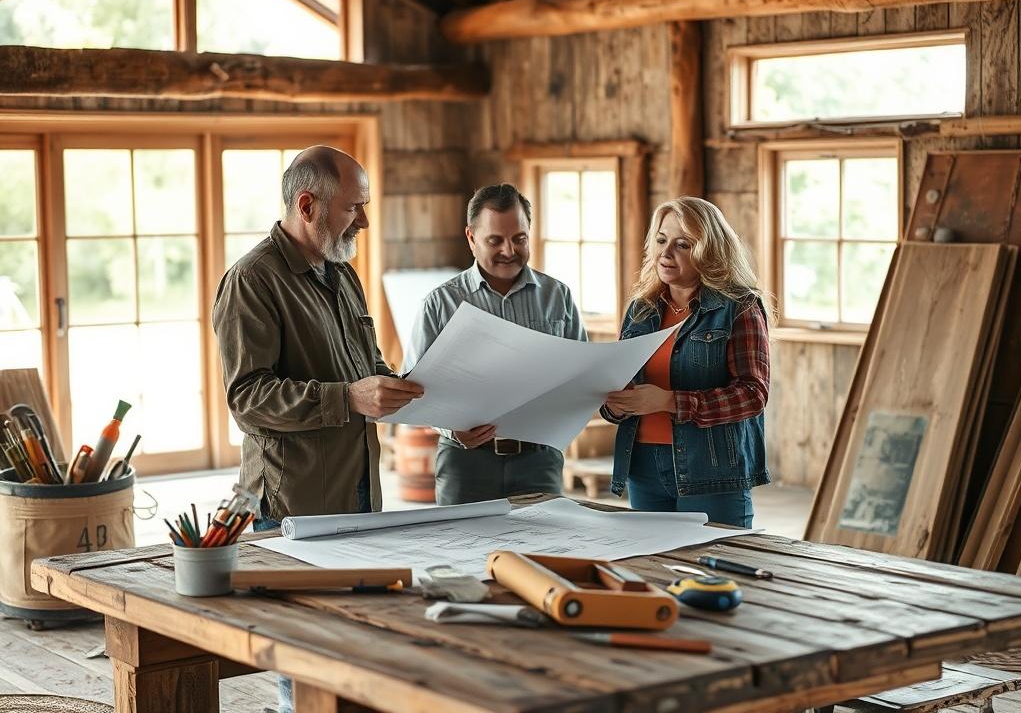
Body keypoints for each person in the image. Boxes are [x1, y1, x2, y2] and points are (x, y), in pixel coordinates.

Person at [213, 146, 423, 713]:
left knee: (357, 640)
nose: (366, 221)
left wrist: (430, 399)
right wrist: (348, 397)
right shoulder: (252, 281)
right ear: (308, 205)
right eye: (356, 208)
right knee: (304, 652)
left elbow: (369, 369)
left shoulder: (343, 274)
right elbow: (246, 398)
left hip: (360, 489)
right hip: (293, 500)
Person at [404, 183, 586, 505]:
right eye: (495, 240)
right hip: (466, 461)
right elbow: (413, 388)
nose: (509, 250)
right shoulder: (439, 304)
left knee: (543, 552)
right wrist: (451, 430)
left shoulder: (558, 297)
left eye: (519, 238)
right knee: (464, 553)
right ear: (472, 238)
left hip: (539, 459)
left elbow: (581, 375)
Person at [601, 196, 771, 528]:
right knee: (654, 570)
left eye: (683, 244)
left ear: (709, 250)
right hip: (643, 467)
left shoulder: (740, 307)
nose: (666, 253)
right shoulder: (641, 309)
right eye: (661, 240)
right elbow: (619, 387)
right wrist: (616, 405)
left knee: (717, 570)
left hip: (712, 467)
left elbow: (753, 394)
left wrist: (668, 401)